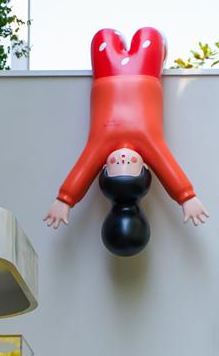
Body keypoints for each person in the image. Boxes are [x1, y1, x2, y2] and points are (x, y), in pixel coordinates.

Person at [44, 27, 209, 230]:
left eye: (117, 165)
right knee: (150, 35)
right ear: (145, 167)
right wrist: (187, 197)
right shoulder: (149, 144)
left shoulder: (100, 145)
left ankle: (118, 40)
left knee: (103, 36)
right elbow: (168, 167)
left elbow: (83, 169)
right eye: (130, 165)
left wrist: (64, 200)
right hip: (146, 74)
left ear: (105, 168)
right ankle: (155, 44)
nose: (123, 159)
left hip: (106, 75)